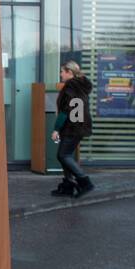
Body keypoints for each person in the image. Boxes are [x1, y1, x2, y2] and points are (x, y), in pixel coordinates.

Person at [50, 61, 94, 198]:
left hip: (72, 127)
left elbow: (65, 111)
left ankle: (84, 182)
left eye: (62, 71)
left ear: (69, 72)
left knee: (63, 155)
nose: (60, 74)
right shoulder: (80, 86)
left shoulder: (70, 87)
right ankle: (69, 185)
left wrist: (56, 129)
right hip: (78, 125)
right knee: (65, 156)